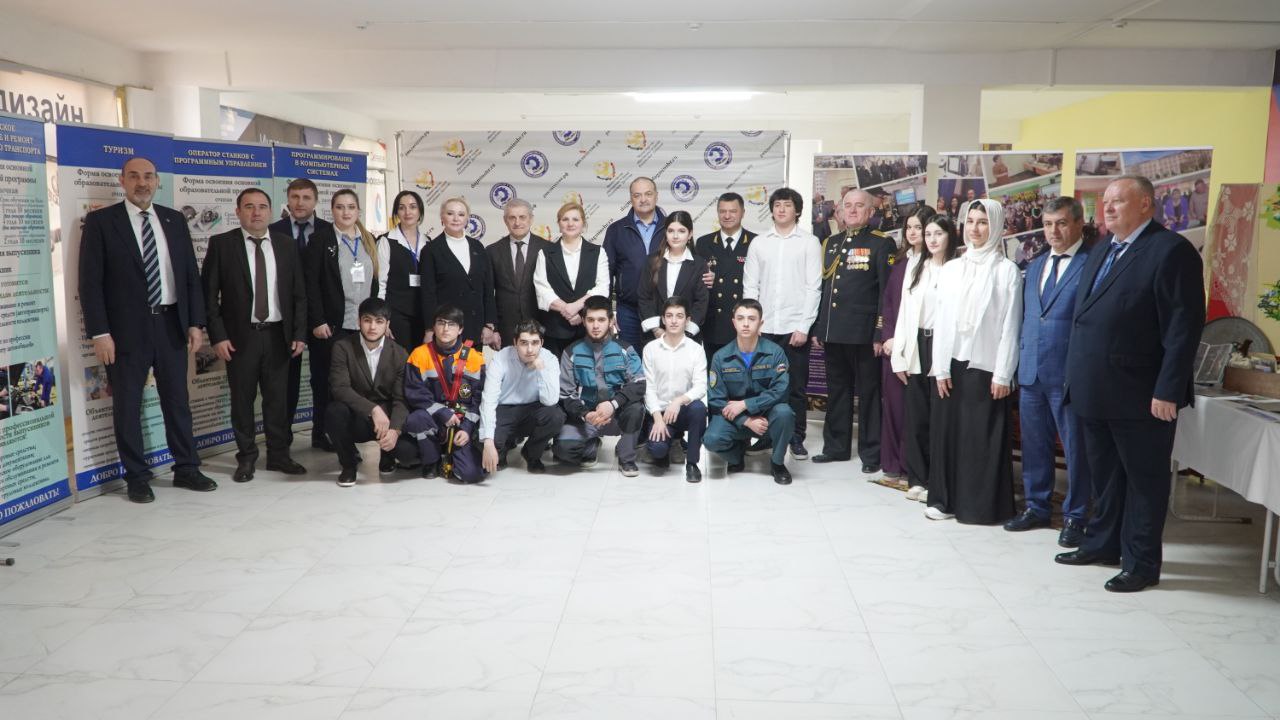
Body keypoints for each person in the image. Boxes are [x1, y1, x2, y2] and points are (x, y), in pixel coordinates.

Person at [1058, 175, 1205, 593]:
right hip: (1094, 387)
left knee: (1144, 482)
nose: (1107, 208)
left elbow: (1183, 327)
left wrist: (1169, 389)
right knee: (1105, 477)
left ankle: (1141, 563)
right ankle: (1103, 544)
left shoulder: (1170, 250)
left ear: (1145, 204)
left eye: (1118, 201)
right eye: (1105, 201)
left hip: (1142, 393)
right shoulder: (1103, 248)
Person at [79, 156, 216, 503]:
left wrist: (195, 322)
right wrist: (100, 333)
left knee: (177, 401)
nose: (142, 183)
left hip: (171, 325)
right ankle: (137, 477)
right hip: (125, 332)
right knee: (128, 405)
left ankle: (186, 468)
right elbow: (90, 283)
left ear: (157, 181)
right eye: (134, 176)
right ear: (122, 181)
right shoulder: (101, 222)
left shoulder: (173, 219)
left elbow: (190, 276)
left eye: (148, 176)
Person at [202, 187, 309, 482]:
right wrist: (218, 336)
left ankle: (279, 455)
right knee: (242, 401)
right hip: (240, 338)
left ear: (271, 212)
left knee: (278, 400)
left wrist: (300, 333)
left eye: (262, 206)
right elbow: (209, 297)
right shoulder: (222, 245)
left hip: (278, 336)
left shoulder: (286, 245)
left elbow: (299, 295)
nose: (256, 212)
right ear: (238, 212)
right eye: (249, 206)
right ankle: (246, 458)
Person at [927, 198, 1021, 524]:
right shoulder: (952, 268)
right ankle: (943, 501)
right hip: (952, 364)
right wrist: (940, 368)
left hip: (987, 367)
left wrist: (1003, 373)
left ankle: (979, 507)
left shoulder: (1006, 272)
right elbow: (942, 321)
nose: (975, 229)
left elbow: (1010, 326)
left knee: (980, 439)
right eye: (970, 221)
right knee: (948, 435)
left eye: (983, 222)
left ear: (995, 226)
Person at [1005, 197, 1093, 546]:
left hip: (1068, 374)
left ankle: (1076, 515)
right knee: (1034, 444)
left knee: (1075, 449)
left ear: (1079, 223)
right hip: (1031, 372)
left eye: (1061, 223)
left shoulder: (1091, 264)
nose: (1053, 231)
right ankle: (1036, 506)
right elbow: (1029, 317)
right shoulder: (1036, 264)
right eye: (1047, 224)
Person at [811, 189, 896, 472]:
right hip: (834, 332)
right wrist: (820, 327)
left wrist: (880, 332)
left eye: (859, 206)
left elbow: (886, 293)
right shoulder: (831, 243)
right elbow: (825, 290)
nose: (853, 210)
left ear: (871, 212)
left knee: (870, 394)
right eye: (848, 205)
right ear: (840, 210)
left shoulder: (881, 243)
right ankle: (836, 447)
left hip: (864, 333)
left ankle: (872, 453)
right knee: (837, 391)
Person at [741, 187, 821, 460]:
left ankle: (796, 438)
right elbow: (750, 286)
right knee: (763, 385)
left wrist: (804, 326)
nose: (782, 209)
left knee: (795, 386)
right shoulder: (759, 243)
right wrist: (752, 324)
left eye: (787, 205)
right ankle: (766, 436)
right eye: (777, 205)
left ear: (797, 210)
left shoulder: (809, 242)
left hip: (793, 328)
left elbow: (814, 287)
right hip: (764, 328)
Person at [304, 189, 384, 452]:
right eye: (340, 207)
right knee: (326, 382)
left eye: (351, 207)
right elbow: (311, 284)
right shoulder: (320, 239)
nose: (346, 212)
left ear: (358, 210)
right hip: (331, 326)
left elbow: (374, 282)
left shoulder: (369, 239)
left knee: (356, 386)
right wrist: (317, 320)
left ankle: (348, 437)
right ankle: (322, 434)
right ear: (332, 210)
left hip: (362, 327)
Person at [892, 214, 961, 501]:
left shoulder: (958, 268)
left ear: (950, 236)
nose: (932, 239)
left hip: (945, 347)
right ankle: (917, 479)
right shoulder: (917, 266)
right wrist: (899, 355)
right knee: (917, 415)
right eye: (928, 234)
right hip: (918, 343)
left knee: (940, 416)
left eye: (938, 234)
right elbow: (904, 312)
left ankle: (938, 481)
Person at [325, 298, 419, 487]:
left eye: (379, 321)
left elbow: (401, 398)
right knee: (334, 411)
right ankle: (349, 465)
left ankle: (388, 456)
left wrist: (395, 430)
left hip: (388, 418)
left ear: (387, 325)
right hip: (357, 415)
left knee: (408, 454)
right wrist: (373, 410)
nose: (372, 327)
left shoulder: (400, 353)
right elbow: (340, 388)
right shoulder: (342, 347)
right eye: (367, 320)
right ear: (359, 321)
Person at [270, 178, 334, 450]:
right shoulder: (274, 230)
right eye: (295, 197)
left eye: (306, 197)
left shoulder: (329, 230)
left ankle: (322, 433)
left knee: (324, 379)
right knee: (287, 381)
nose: (300, 203)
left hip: (321, 317)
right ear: (287, 199)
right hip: (287, 317)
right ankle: (282, 439)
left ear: (315, 201)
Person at [704, 299, 796, 485]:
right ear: (733, 322)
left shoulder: (775, 353)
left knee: (785, 413)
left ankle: (777, 463)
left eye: (751, 319)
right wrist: (745, 420)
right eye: (741, 318)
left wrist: (746, 404)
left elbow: (781, 390)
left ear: (761, 323)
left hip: (767, 417)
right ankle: (736, 457)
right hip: (735, 418)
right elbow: (716, 399)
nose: (745, 324)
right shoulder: (721, 357)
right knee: (711, 439)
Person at [553, 295, 646, 476]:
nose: (596, 326)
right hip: (587, 417)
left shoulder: (625, 349)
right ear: (583, 322)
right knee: (563, 451)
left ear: (611, 321)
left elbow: (639, 384)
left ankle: (626, 458)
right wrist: (585, 414)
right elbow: (566, 394)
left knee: (636, 408)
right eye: (590, 320)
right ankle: (591, 445)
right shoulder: (571, 352)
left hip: (617, 415)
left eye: (601, 320)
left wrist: (613, 404)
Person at [879, 207, 936, 487]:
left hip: (920, 346)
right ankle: (892, 464)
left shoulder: (935, 263)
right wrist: (888, 338)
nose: (913, 233)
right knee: (893, 406)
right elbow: (889, 303)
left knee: (914, 411)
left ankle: (910, 466)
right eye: (909, 228)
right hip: (894, 345)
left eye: (919, 228)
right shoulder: (901, 261)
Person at [403, 305, 486, 483]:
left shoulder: (474, 358)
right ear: (433, 326)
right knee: (415, 419)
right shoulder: (419, 355)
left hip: (461, 420)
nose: (445, 329)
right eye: (441, 323)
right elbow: (415, 393)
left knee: (472, 474)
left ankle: (454, 455)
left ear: (460, 329)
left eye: (452, 324)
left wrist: (466, 429)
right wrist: (442, 412)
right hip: (433, 418)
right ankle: (431, 461)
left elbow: (478, 400)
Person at [479, 319, 566, 475]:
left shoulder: (549, 359)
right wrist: (488, 442)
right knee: (484, 443)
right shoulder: (500, 358)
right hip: (503, 410)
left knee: (556, 416)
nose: (530, 349)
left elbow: (551, 400)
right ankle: (503, 448)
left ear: (542, 343)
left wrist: (541, 369)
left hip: (533, 410)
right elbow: (488, 400)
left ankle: (532, 453)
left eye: (535, 343)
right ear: (515, 342)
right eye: (524, 343)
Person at [643, 297, 708, 483]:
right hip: (660, 412)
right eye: (669, 316)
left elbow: (701, 386)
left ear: (687, 320)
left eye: (679, 316)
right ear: (663, 319)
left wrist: (678, 401)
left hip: (683, 410)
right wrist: (657, 418)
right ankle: (667, 445)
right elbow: (648, 388)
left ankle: (692, 463)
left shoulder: (696, 350)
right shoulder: (650, 349)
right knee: (658, 450)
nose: (673, 321)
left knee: (699, 409)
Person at [420, 197, 499, 349]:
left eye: (461, 214)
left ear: (467, 219)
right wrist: (430, 329)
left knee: (473, 365)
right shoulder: (431, 250)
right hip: (446, 331)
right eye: (450, 214)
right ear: (442, 217)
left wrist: (489, 324)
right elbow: (428, 294)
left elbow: (488, 290)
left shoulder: (478, 247)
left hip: (475, 330)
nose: (456, 219)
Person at [533, 202, 609, 358]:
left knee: (588, 371)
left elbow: (602, 288)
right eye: (565, 219)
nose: (570, 223)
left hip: (588, 329)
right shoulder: (545, 253)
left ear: (583, 224)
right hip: (554, 330)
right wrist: (567, 311)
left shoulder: (598, 252)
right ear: (559, 224)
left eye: (575, 219)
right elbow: (542, 289)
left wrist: (576, 307)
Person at [604, 177, 667, 348]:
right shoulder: (616, 230)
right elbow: (606, 272)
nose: (643, 199)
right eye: (637, 195)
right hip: (628, 311)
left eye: (648, 194)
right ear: (631, 198)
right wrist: (607, 311)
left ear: (656, 196)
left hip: (665, 311)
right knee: (630, 360)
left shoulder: (671, 227)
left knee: (663, 360)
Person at [696, 193, 756, 365]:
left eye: (733, 211)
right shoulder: (704, 243)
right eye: (722, 211)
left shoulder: (755, 242)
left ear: (743, 212)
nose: (727, 216)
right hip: (713, 324)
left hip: (744, 322)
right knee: (714, 372)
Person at [487, 199, 551, 346]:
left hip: (541, 324)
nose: (517, 222)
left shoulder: (548, 249)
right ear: (505, 220)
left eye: (522, 217)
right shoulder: (492, 251)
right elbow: (488, 294)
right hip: (506, 328)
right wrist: (493, 328)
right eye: (512, 218)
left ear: (531, 219)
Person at [638, 210, 709, 340]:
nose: (675, 236)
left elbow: (701, 302)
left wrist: (686, 333)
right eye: (671, 231)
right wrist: (656, 330)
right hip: (655, 335)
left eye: (681, 231)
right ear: (666, 233)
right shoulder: (652, 261)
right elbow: (644, 297)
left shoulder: (699, 264)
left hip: (688, 337)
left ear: (690, 234)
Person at [377, 190, 428, 352]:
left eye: (412, 207)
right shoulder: (386, 241)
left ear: (420, 211)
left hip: (423, 315)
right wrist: (382, 319)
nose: (407, 212)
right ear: (396, 212)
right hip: (396, 315)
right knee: (401, 361)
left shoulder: (428, 242)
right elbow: (381, 283)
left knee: (421, 362)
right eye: (402, 207)